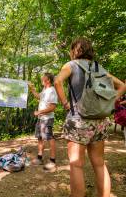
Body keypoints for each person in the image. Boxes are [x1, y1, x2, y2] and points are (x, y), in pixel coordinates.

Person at [54, 37, 124, 197]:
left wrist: (65, 103)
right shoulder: (99, 67)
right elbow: (122, 85)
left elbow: (57, 81)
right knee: (99, 164)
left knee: (76, 164)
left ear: (74, 51)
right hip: (100, 121)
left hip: (78, 120)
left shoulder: (71, 65)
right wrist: (110, 102)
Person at [28, 73, 58, 171]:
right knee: (40, 137)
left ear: (48, 80)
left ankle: (52, 161)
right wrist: (32, 89)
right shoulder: (45, 90)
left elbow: (53, 107)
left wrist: (39, 112)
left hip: (47, 119)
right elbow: (38, 96)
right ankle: (39, 158)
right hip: (41, 118)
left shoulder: (52, 90)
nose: (42, 78)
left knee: (49, 137)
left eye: (43, 77)